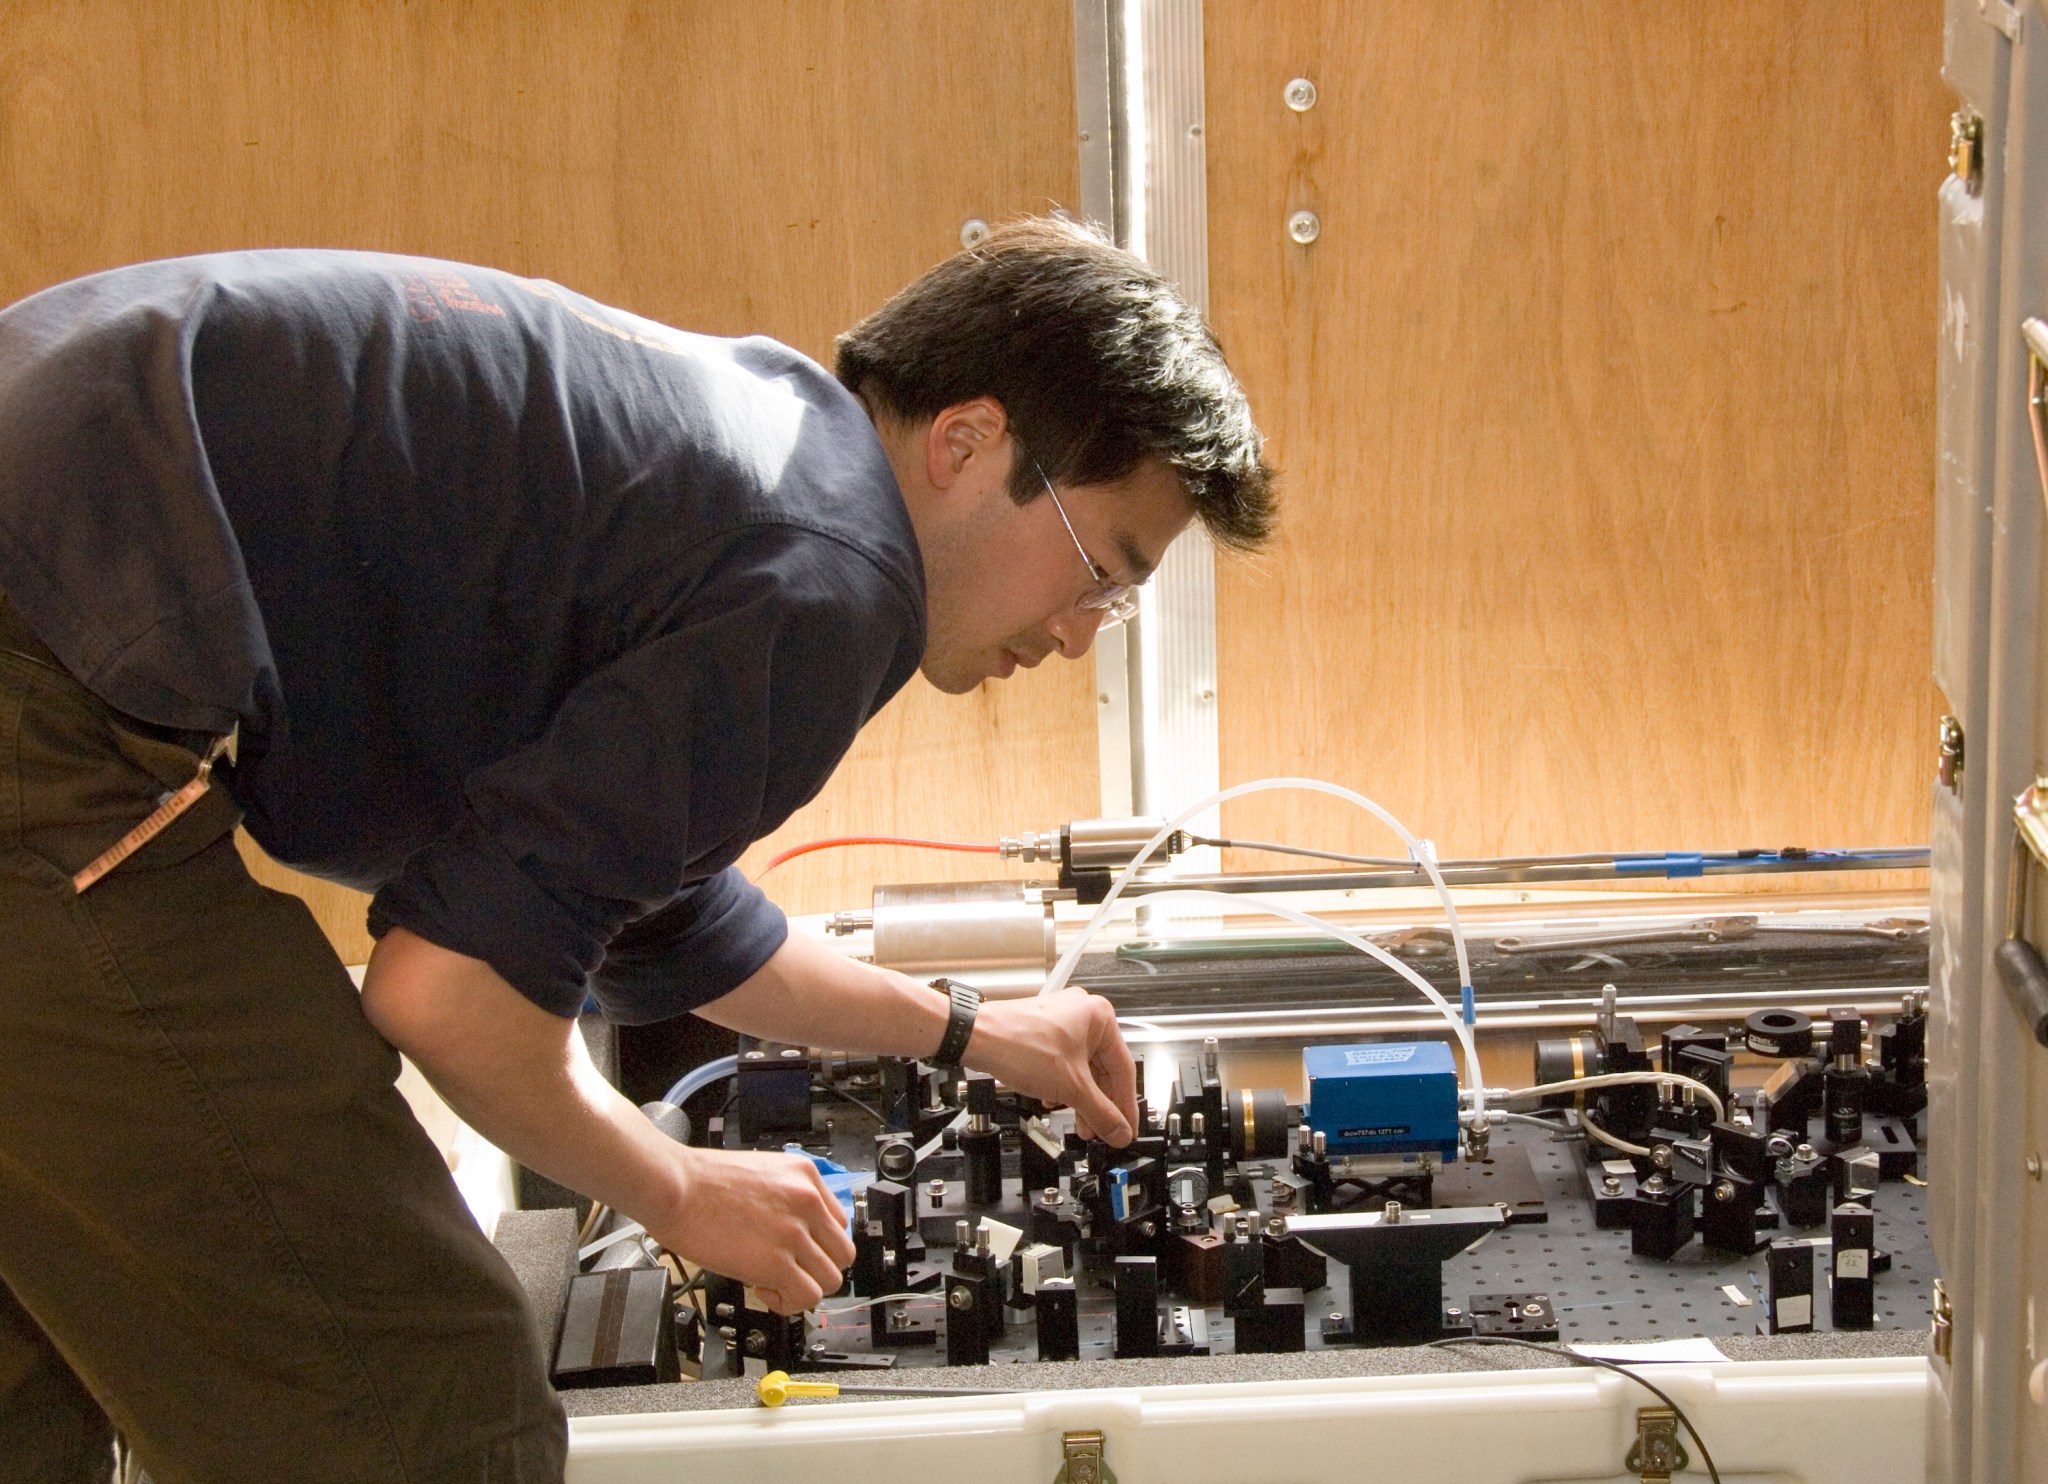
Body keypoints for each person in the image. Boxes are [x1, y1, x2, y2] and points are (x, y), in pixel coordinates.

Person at [0, 216, 1274, 1482]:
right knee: (416, 1402)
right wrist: (673, 1186)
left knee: (55, 1348)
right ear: (966, 440)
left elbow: (666, 913)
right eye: (1102, 573)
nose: (1076, 637)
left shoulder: (757, 451)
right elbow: (446, 992)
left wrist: (970, 1027)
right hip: (41, 698)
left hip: (51, 591)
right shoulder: (834, 575)